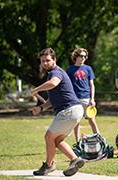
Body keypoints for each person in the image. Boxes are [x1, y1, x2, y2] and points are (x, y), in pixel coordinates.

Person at [30, 48, 85, 177]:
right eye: (42, 61)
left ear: (54, 60)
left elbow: (53, 83)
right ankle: (75, 160)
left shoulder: (56, 72)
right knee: (57, 140)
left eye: (48, 60)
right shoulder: (54, 73)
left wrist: (36, 89)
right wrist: (42, 107)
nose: (45, 63)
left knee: (49, 136)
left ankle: (49, 166)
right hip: (75, 110)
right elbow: (52, 99)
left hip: (69, 110)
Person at [66, 48, 100, 142]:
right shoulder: (70, 70)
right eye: (81, 56)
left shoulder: (88, 69)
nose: (83, 58)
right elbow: (67, 86)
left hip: (87, 99)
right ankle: (78, 142)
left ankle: (99, 140)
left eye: (85, 56)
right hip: (75, 100)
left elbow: (91, 84)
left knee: (92, 121)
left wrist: (92, 99)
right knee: (76, 122)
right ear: (76, 56)